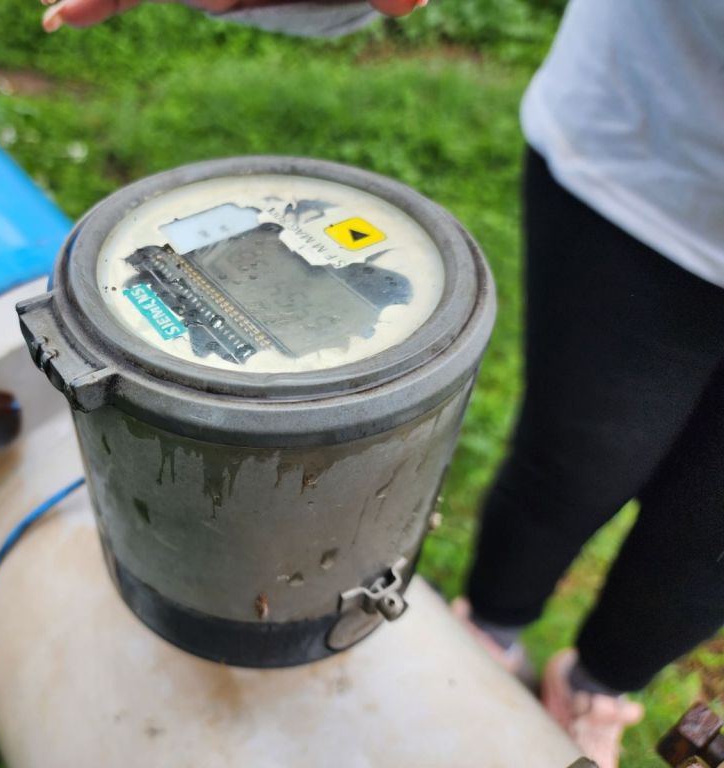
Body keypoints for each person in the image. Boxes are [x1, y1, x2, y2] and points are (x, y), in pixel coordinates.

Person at [39, 1, 724, 765]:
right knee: (575, 458)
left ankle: (599, 682)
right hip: (645, 165)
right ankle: (491, 631)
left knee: (710, 531)